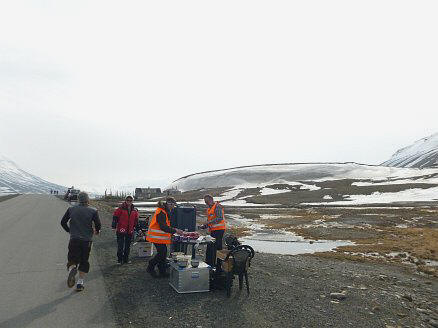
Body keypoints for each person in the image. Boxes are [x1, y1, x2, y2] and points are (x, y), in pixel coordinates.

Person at [60, 192, 101, 292]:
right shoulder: (93, 211)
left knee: (72, 259)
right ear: (88, 200)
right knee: (84, 261)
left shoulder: (71, 209)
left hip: (74, 239)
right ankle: (80, 283)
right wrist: (97, 231)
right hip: (87, 240)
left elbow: (63, 222)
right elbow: (98, 224)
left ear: (79, 199)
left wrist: (69, 231)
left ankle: (72, 269)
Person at [146, 197, 184, 278]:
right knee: (162, 253)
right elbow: (163, 227)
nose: (173, 207)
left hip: (159, 238)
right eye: (173, 205)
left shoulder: (164, 211)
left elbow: (166, 226)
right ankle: (151, 266)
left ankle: (162, 271)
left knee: (163, 253)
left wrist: (173, 231)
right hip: (156, 237)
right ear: (169, 204)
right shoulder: (161, 212)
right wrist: (175, 230)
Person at [200, 194, 226, 269]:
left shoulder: (217, 206)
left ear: (211, 200)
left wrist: (208, 223)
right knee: (211, 246)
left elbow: (220, 218)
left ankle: (216, 265)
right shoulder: (209, 209)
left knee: (216, 247)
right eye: (205, 202)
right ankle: (210, 263)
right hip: (213, 230)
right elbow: (210, 221)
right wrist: (204, 226)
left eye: (207, 201)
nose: (206, 203)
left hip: (219, 230)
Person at [112, 195, 139, 264]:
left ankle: (126, 259)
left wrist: (138, 229)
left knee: (127, 246)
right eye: (128, 200)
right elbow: (115, 217)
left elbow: (136, 221)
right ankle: (119, 260)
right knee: (120, 246)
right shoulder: (120, 208)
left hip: (130, 231)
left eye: (130, 200)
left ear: (132, 201)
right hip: (121, 230)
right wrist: (113, 226)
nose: (129, 202)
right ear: (125, 201)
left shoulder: (134, 210)